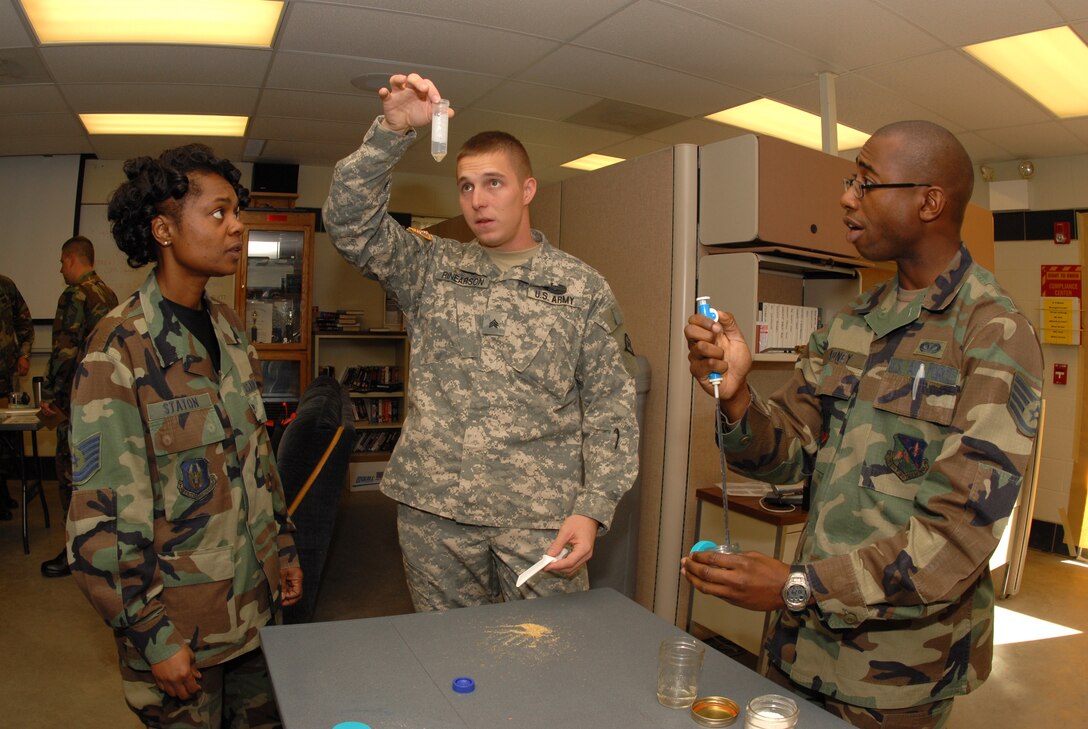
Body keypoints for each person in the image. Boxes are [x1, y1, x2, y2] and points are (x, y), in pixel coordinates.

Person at [682, 121, 1043, 729]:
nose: (847, 197)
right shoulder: (853, 322)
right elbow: (792, 454)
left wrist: (797, 586)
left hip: (895, 677)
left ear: (929, 201)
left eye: (866, 182)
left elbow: (956, 540)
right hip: (798, 648)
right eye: (851, 181)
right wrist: (739, 396)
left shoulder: (992, 334)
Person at [324, 72, 639, 612]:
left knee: (544, 657)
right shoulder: (433, 267)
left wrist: (593, 507)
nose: (477, 200)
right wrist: (392, 130)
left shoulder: (581, 287)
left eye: (494, 182)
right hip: (435, 515)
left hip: (538, 519)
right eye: (466, 186)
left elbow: (612, 406)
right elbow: (351, 226)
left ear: (528, 190)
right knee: (450, 660)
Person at [65, 143, 302, 728]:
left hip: (255, 609)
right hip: (182, 631)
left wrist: (285, 546)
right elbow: (103, 522)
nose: (237, 227)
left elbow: (257, 455)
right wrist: (152, 636)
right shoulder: (117, 350)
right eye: (218, 213)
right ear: (164, 229)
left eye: (235, 213)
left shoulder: (226, 326)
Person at [38, 236, 118, 577]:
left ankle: (74, 551)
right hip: (105, 397)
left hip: (77, 401)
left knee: (71, 476)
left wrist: (53, 399)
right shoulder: (109, 294)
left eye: (61, 262)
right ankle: (100, 544)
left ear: (73, 259)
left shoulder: (75, 295)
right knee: (98, 473)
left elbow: (66, 352)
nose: (60, 269)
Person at [0, 273, 34, 521]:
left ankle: (2, 490)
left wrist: (24, 354)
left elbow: (24, 322)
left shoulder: (5, 285)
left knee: (6, 439)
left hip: (4, 375)